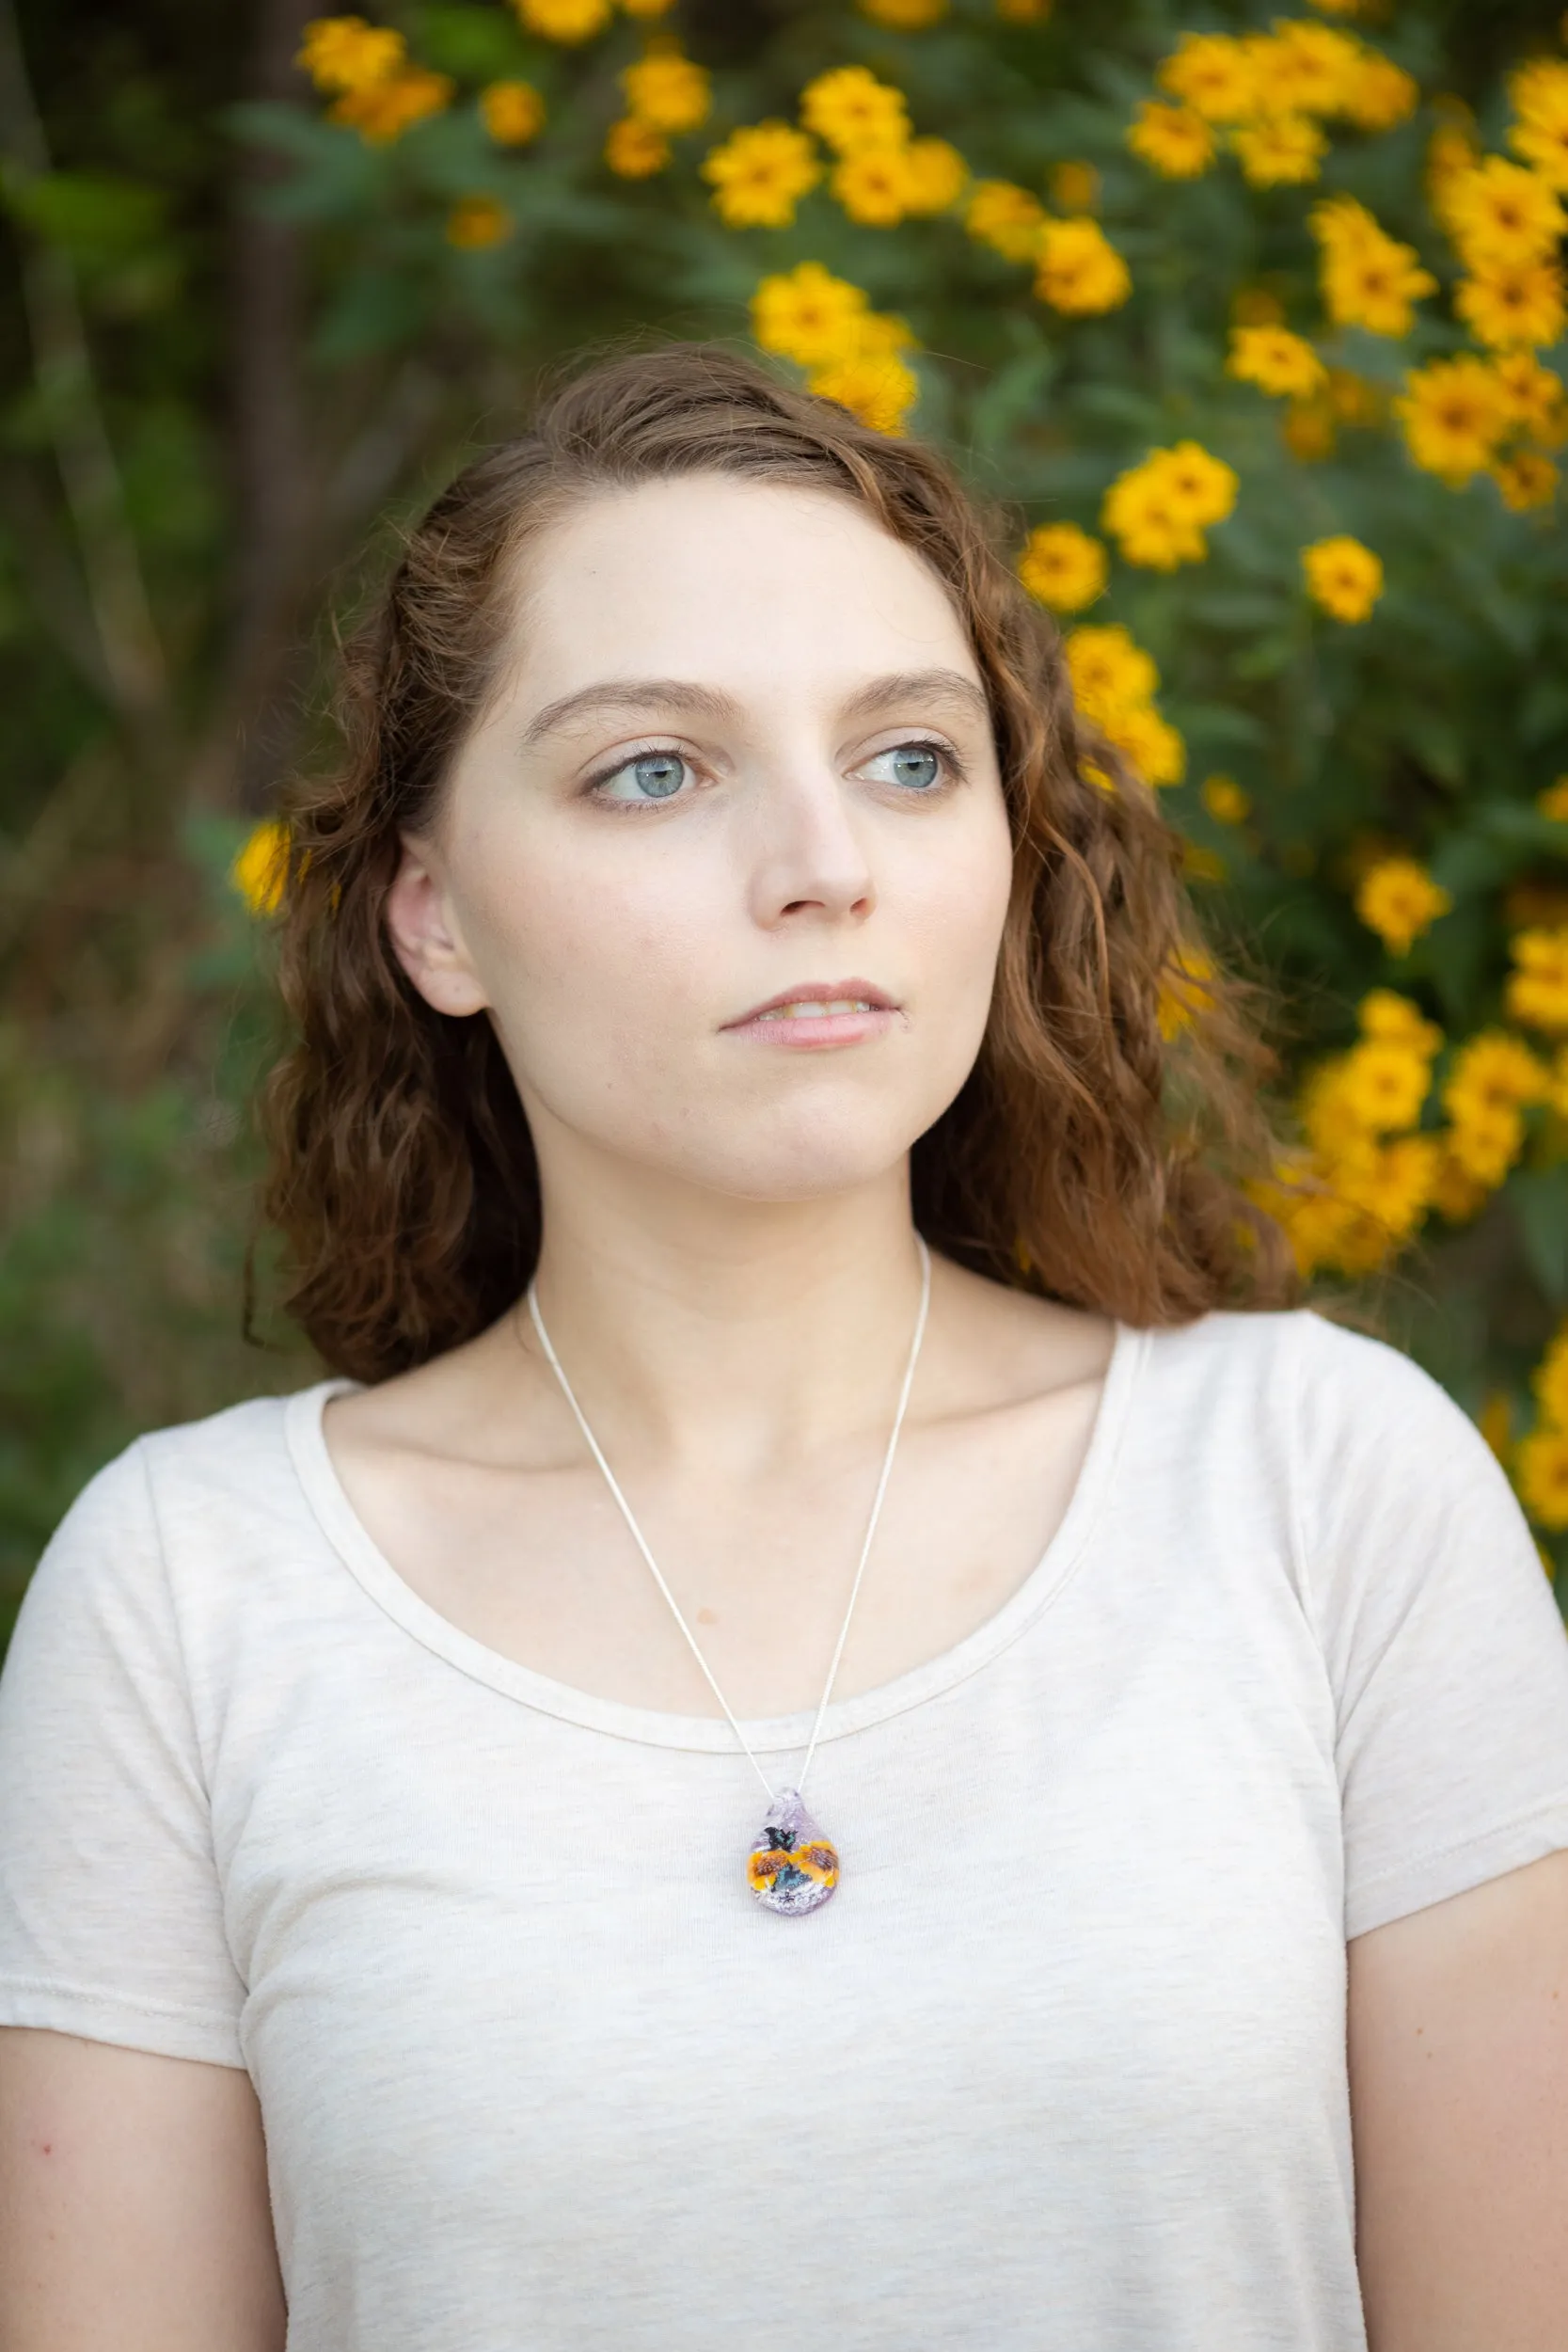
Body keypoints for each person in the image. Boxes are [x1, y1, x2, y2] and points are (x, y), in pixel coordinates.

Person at [2, 344, 1566, 2352]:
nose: (823, 860)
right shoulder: (190, 1593)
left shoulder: (1319, 1488)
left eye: (908, 756)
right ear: (433, 917)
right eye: (653, 766)